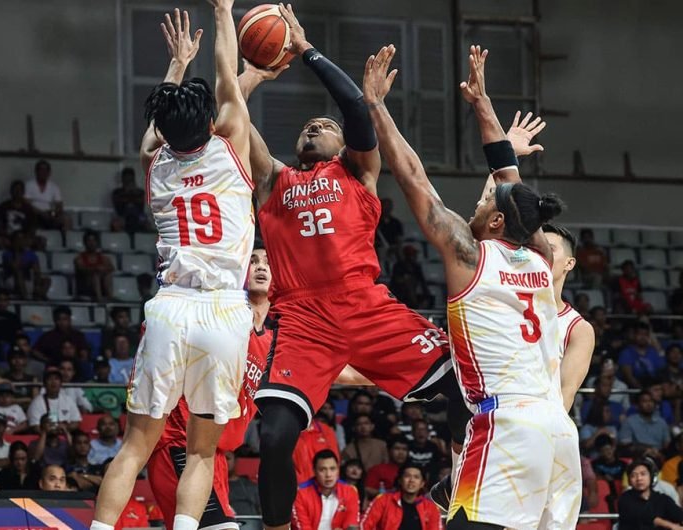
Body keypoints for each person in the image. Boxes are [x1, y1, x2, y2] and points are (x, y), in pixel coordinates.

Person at [238, 10, 466, 529]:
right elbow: (231, 115)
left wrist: (307, 49)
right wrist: (254, 72)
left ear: (343, 146)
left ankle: (455, 475)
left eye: (325, 126)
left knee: (466, 382)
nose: (314, 126)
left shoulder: (359, 173)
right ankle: (278, 526)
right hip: (302, 318)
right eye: (306, 127)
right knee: (273, 437)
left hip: (366, 304)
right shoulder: (274, 181)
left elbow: (358, 111)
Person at [363, 44, 574, 529]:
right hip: (557, 432)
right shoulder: (541, 256)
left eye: (485, 202)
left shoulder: (470, 255)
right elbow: (509, 178)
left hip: (506, 426)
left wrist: (376, 107)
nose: (476, 203)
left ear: (497, 220)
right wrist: (483, 105)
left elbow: (415, 179)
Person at [93, 5, 255, 530]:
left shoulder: (154, 164)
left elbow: (151, 132)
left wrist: (176, 65)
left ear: (164, 129)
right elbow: (230, 73)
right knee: (203, 450)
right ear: (210, 122)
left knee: (137, 444)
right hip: (224, 312)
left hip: (171, 308)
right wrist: (225, 11)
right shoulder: (231, 145)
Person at [147, 244, 273, 530]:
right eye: (252, 261)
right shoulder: (221, 312)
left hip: (212, 456)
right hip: (180, 441)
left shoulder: (275, 341)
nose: (261, 266)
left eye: (268, 262)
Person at [542, 224, 596, 411]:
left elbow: (565, 394)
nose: (541, 254)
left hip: (539, 427)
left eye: (549, 249)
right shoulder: (508, 308)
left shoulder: (578, 329)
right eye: (535, 248)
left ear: (569, 263)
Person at [292, 450, 360, 530]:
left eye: (332, 469)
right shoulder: (299, 493)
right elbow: (303, 528)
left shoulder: (350, 491)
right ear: (314, 471)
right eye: (322, 470)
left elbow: (351, 525)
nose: (328, 475)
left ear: (338, 469)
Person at [361, 463, 441, 530]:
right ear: (400, 481)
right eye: (407, 476)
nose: (411, 480)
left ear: (422, 484)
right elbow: (364, 525)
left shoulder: (431, 507)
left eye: (416, 477)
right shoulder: (383, 500)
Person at [618, 459, 683, 530]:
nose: (639, 478)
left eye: (643, 474)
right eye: (633, 475)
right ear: (629, 481)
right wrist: (671, 526)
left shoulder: (662, 499)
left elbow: (679, 515)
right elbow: (645, 516)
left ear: (651, 477)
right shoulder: (624, 499)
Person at [27, 366, 82, 432]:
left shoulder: (68, 400)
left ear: (61, 383)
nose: (53, 382)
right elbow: (35, 426)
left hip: (65, 436)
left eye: (56, 379)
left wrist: (64, 428)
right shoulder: (36, 402)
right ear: (44, 384)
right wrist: (53, 430)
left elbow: (76, 422)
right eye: (50, 379)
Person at [2, 230, 49, 300]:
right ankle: (25, 298)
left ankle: (39, 296)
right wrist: (17, 251)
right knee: (19, 273)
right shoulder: (7, 254)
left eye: (23, 239)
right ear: (13, 241)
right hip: (12, 279)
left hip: (27, 277)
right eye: (19, 239)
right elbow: (15, 268)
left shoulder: (30, 254)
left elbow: (37, 271)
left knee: (46, 280)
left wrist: (37, 285)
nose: (22, 241)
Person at [294, 415, 340, 485]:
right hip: (297, 486)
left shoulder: (326, 430)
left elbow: (334, 461)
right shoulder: (285, 431)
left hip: (324, 485)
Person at [618, 322, 666, 388]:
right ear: (634, 335)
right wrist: (643, 391)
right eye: (640, 334)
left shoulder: (654, 352)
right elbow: (629, 377)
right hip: (635, 390)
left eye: (645, 334)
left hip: (654, 388)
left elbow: (662, 372)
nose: (643, 337)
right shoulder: (626, 353)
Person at [24, 160, 65, 230]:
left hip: (49, 214)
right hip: (34, 214)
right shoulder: (29, 185)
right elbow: (26, 204)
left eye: (46, 170)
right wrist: (42, 213)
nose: (43, 172)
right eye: (41, 170)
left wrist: (53, 213)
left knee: (66, 220)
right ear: (36, 172)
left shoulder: (54, 187)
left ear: (49, 173)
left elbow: (59, 205)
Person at [0, 179, 36, 248]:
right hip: (8, 237)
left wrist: (24, 237)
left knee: (41, 241)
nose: (17, 192)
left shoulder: (28, 209)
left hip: (23, 237)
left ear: (23, 192)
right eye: (15, 189)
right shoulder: (3, 206)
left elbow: (32, 227)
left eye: (20, 190)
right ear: (11, 191)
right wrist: (9, 236)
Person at [75, 230, 114, 302]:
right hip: (86, 286)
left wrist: (103, 269)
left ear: (97, 242)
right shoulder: (79, 258)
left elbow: (111, 268)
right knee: (95, 274)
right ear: (85, 243)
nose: (91, 243)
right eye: (89, 241)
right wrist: (95, 269)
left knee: (107, 274)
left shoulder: (103, 258)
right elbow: (81, 268)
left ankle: (110, 297)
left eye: (94, 240)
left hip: (102, 285)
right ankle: (99, 299)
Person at [389, 245, 432, 309]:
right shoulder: (398, 266)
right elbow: (395, 281)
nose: (415, 256)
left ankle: (416, 304)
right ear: (409, 255)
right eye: (413, 254)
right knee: (408, 282)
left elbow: (422, 282)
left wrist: (427, 295)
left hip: (413, 293)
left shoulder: (416, 266)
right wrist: (405, 279)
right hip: (400, 293)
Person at [111, 167, 149, 233]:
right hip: (122, 216)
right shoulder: (117, 192)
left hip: (138, 216)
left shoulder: (140, 192)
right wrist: (128, 193)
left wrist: (131, 194)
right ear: (122, 179)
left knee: (147, 223)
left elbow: (141, 206)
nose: (128, 181)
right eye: (126, 179)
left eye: (130, 179)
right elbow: (118, 207)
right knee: (115, 224)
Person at [226, 451, 261, 517]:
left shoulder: (251, 486)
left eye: (227, 458)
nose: (224, 462)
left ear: (235, 461)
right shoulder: (214, 489)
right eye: (221, 459)